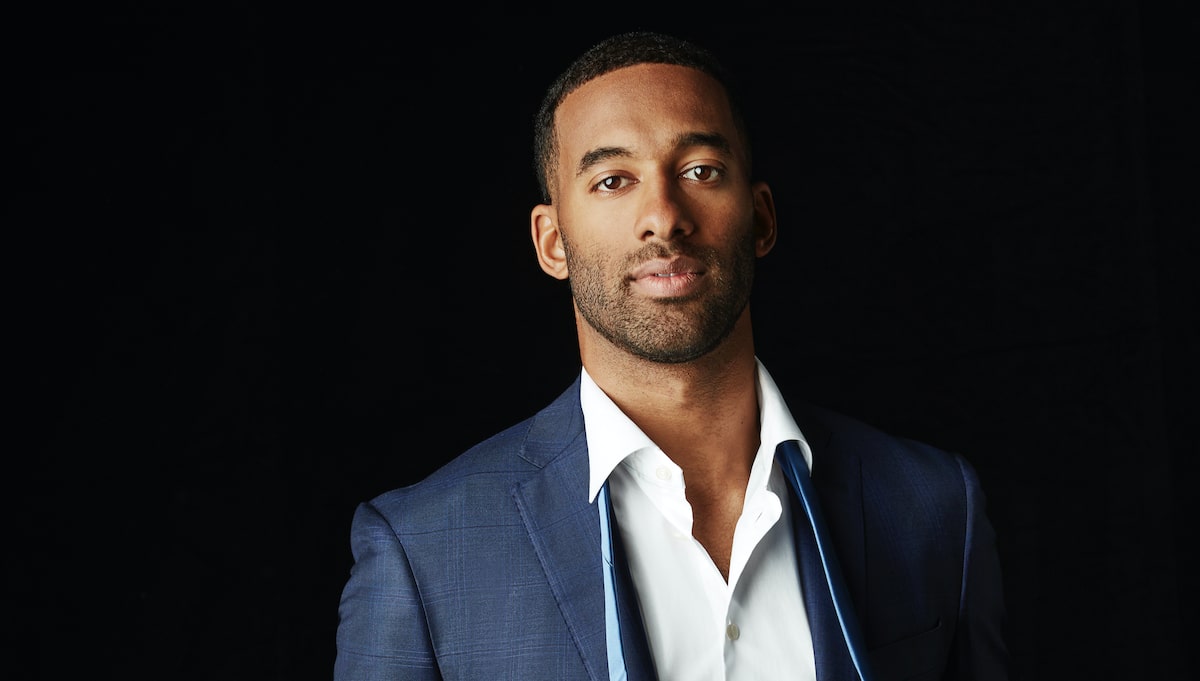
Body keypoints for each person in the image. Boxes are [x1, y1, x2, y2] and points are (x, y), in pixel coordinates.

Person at [333, 30, 1010, 681]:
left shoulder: (933, 505)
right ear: (552, 242)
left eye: (699, 171)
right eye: (612, 180)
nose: (663, 215)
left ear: (762, 218)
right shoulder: (423, 550)